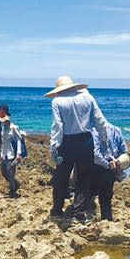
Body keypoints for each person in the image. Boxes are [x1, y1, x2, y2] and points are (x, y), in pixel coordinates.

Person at [45, 76, 110, 222]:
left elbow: (57, 126)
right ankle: (79, 213)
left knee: (61, 177)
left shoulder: (57, 101)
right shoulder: (87, 97)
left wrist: (54, 147)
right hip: (86, 140)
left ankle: (56, 211)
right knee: (83, 178)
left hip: (66, 142)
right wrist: (104, 138)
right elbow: (100, 120)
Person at [91, 122, 129, 221]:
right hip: (111, 169)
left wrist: (106, 164)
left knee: (88, 193)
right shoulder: (116, 129)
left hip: (98, 167)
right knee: (106, 198)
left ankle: (88, 219)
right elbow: (124, 152)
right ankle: (107, 221)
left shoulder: (93, 130)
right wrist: (118, 164)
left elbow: (95, 154)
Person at [0, 115, 23, 197]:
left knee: (10, 173)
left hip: (11, 154)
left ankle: (12, 190)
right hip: (3, 153)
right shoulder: (2, 128)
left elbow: (19, 140)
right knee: (3, 171)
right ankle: (16, 184)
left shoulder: (14, 127)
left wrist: (18, 154)